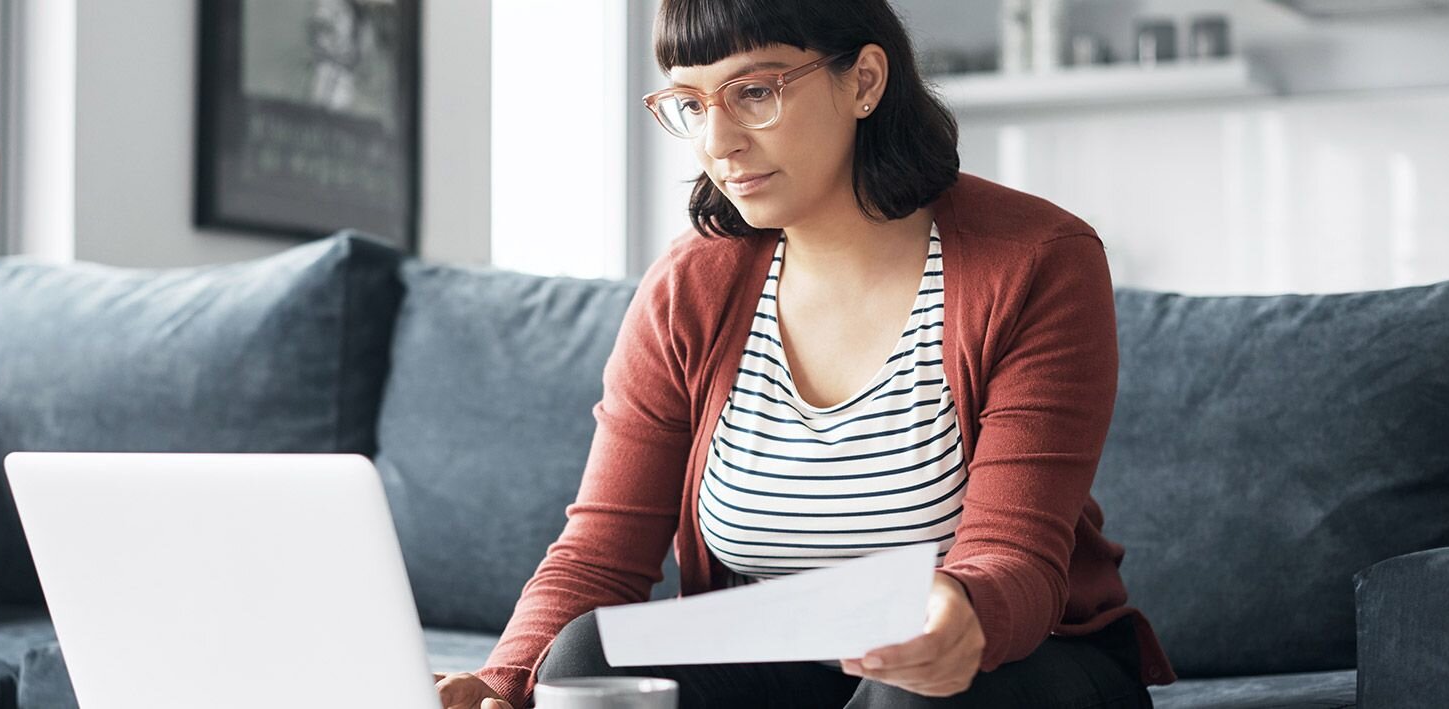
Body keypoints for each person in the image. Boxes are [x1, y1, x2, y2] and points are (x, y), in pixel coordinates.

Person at [435, 1, 1177, 707]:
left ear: (863, 81)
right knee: (583, 660)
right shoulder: (689, 286)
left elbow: (1015, 554)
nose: (717, 141)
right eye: (691, 104)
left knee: (912, 682)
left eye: (753, 91)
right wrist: (501, 682)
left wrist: (960, 606)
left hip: (1010, 663)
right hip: (784, 664)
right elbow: (599, 551)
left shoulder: (1035, 260)